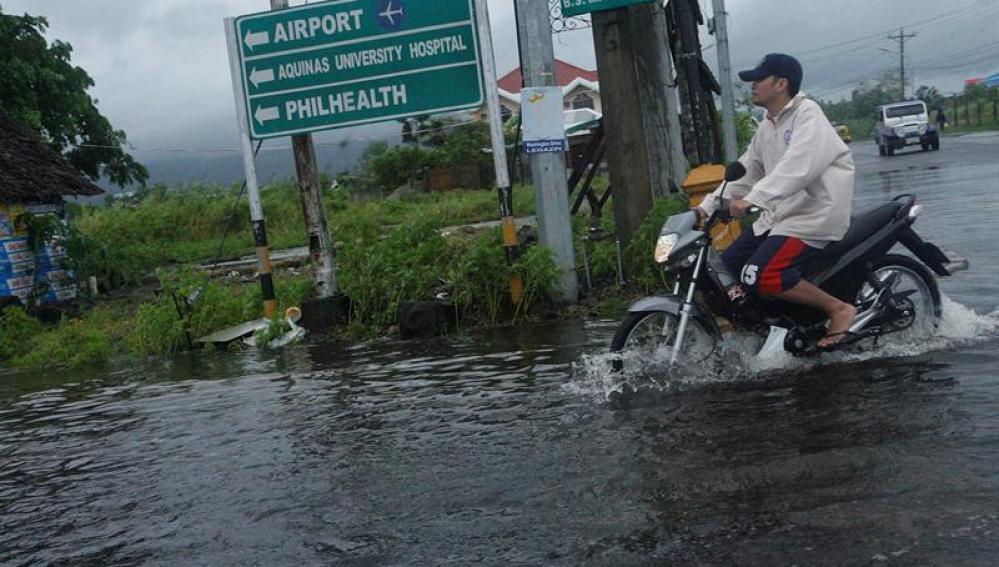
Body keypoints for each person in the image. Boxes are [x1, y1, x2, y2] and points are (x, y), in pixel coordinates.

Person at [696, 53, 856, 348]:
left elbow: (799, 167)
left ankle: (839, 309)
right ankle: (767, 329)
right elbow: (745, 172)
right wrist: (705, 207)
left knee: (763, 273)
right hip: (779, 216)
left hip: (813, 215)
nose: (752, 86)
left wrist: (753, 199)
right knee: (721, 275)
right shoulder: (768, 124)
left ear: (781, 83)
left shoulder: (808, 115)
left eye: (759, 80)